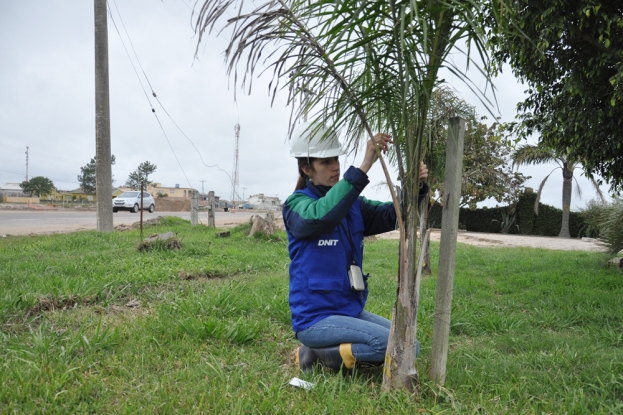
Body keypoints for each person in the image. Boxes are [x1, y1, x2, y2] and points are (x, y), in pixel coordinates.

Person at [282, 121, 429, 372]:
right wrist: (365, 165)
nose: (335, 166)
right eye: (325, 162)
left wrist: (415, 187)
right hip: (315, 318)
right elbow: (323, 214)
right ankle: (316, 354)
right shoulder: (297, 206)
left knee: (409, 345)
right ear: (307, 168)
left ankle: (323, 352)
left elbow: (393, 215)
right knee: (392, 346)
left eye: (336, 158)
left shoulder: (353, 205)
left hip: (347, 311)